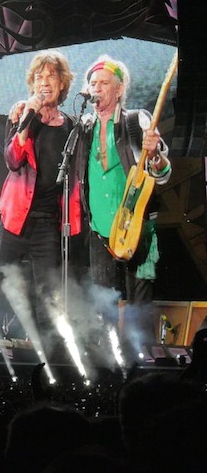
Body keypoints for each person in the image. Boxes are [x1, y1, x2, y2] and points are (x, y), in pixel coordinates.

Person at [0, 50, 82, 357]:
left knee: (48, 291)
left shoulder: (71, 126)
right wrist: (26, 121)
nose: (44, 82)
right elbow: (12, 160)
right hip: (16, 218)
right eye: (39, 77)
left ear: (62, 83)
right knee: (1, 287)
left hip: (48, 221)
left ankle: (49, 354)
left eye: (51, 76)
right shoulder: (21, 116)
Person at [73, 55, 170, 361]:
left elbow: (162, 174)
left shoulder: (136, 121)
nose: (96, 88)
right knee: (103, 303)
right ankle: (108, 361)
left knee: (139, 303)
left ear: (118, 90)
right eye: (92, 83)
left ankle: (141, 362)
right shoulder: (83, 128)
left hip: (136, 227)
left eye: (103, 83)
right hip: (99, 229)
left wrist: (156, 156)